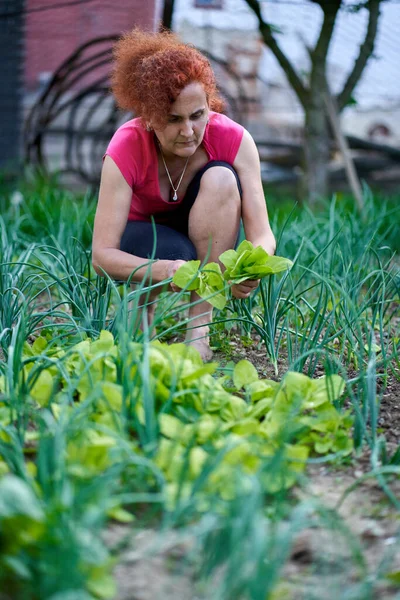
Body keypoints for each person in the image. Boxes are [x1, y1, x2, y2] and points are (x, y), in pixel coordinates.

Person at [92, 28, 276, 361]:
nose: (188, 131)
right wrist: (164, 270)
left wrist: (246, 271)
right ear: (149, 117)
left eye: (197, 115)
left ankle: (198, 336)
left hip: (206, 228)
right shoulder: (126, 146)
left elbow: (263, 234)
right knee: (175, 250)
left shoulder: (235, 140)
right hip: (144, 236)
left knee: (221, 178)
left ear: (210, 105)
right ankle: (141, 320)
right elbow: (101, 256)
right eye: (173, 119)